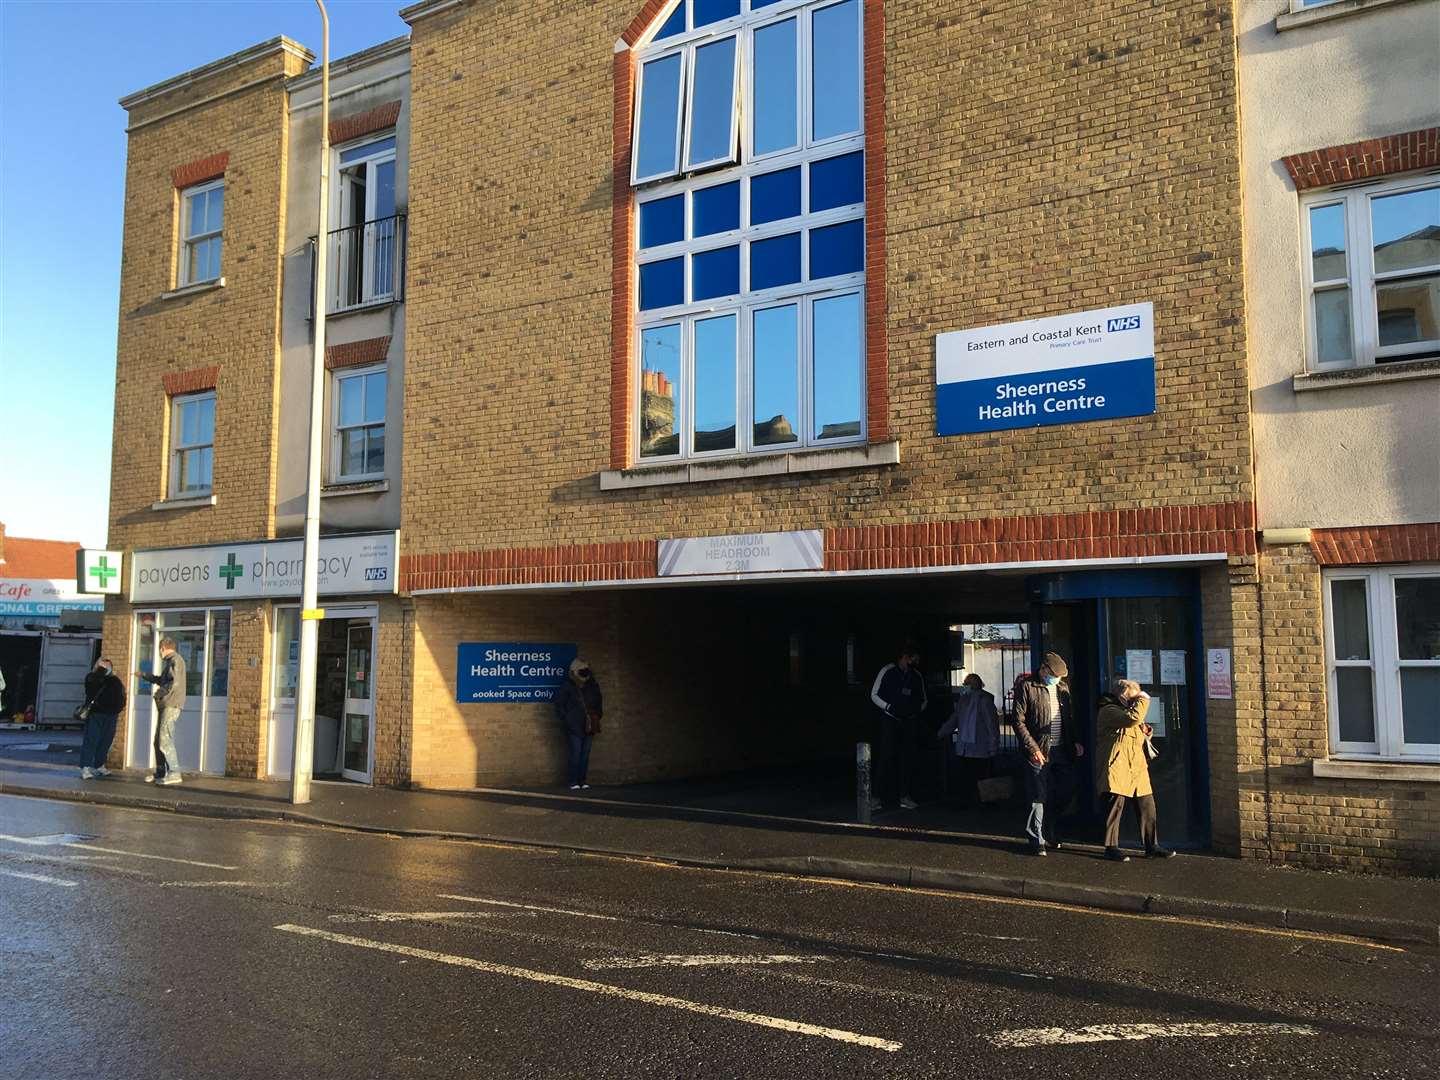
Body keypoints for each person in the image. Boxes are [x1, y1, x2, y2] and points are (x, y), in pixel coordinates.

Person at [1012, 652, 1084, 855]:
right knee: (1037, 796)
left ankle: (1048, 827)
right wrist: (1032, 748)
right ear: (1043, 669)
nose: (1058, 679)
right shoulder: (1027, 686)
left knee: (1067, 789)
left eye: (1060, 677)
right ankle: (1037, 839)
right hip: (1038, 749)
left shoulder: (1062, 687)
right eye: (1054, 675)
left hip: (1061, 748)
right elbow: (1018, 721)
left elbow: (1068, 718)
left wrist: (1075, 741)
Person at [1097, 678, 1175, 861]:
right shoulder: (1108, 710)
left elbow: (1135, 728)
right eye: (1133, 698)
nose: (1136, 702)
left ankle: (1151, 846)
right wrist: (1144, 698)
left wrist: (1147, 732)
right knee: (1114, 808)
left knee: (1148, 807)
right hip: (1117, 766)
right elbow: (1131, 720)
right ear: (1123, 696)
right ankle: (1111, 847)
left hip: (1136, 767)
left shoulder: (1126, 710)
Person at [870, 641, 928, 811]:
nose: (914, 663)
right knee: (886, 757)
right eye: (912, 659)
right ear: (904, 657)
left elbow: (924, 699)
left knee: (907, 758)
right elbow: (873, 694)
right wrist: (888, 707)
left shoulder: (916, 676)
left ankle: (904, 795)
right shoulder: (887, 671)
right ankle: (876, 797)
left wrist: (915, 710)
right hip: (890, 719)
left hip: (909, 720)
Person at [936, 673, 1000, 806]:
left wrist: (993, 747)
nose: (964, 686)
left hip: (975, 748)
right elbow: (955, 719)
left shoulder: (981, 700)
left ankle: (981, 803)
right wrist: (942, 732)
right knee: (970, 778)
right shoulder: (965, 700)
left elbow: (991, 725)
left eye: (966, 683)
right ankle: (973, 803)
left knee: (977, 778)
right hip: (969, 748)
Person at [138, 637, 186, 786]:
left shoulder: (175, 660)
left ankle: (174, 772)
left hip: (171, 704)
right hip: (167, 704)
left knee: (165, 739)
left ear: (163, 648)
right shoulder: (171, 662)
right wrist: (145, 676)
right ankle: (161, 772)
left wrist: (160, 694)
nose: (159, 652)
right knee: (158, 739)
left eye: (159, 649)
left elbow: (173, 682)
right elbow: (164, 680)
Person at [554, 657, 602, 790]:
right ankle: (573, 781)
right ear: (574, 672)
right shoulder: (567, 686)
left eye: (586, 670)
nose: (585, 673)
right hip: (574, 726)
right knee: (575, 754)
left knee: (585, 754)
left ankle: (583, 780)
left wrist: (596, 717)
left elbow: (598, 703)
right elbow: (559, 706)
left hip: (589, 725)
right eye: (582, 670)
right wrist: (567, 720)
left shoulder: (593, 685)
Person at [80, 658, 126, 780]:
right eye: (103, 665)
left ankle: (99, 765)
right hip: (96, 714)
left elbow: (121, 694)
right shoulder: (92, 678)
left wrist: (119, 708)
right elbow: (92, 687)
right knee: (91, 740)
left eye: (108, 665)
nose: (106, 667)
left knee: (106, 741)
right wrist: (100, 671)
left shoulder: (114, 680)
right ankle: (85, 767)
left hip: (111, 715)